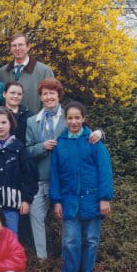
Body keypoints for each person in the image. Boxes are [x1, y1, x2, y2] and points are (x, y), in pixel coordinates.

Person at [25, 78, 104, 259]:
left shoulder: (69, 115)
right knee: (36, 218)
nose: (49, 97)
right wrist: (42, 146)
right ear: (40, 97)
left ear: (59, 95)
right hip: (41, 178)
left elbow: (88, 135)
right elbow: (26, 150)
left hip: (65, 180)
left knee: (68, 221)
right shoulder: (32, 121)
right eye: (45, 94)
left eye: (52, 93)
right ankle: (42, 260)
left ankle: (66, 259)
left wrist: (101, 133)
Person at [50, 102, 113, 272]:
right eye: (70, 118)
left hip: (92, 199)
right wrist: (56, 200)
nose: (74, 121)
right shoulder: (60, 144)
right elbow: (55, 175)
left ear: (83, 119)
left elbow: (105, 171)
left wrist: (104, 198)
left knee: (91, 240)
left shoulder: (93, 141)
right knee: (71, 240)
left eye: (77, 117)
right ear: (65, 120)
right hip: (69, 201)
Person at [0, 32, 55, 113]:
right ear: (10, 49)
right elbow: (0, 100)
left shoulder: (44, 71)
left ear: (28, 47)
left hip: (35, 120)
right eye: (14, 45)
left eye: (21, 45)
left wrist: (38, 119)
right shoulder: (2, 72)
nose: (17, 48)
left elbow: (50, 100)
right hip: (8, 120)